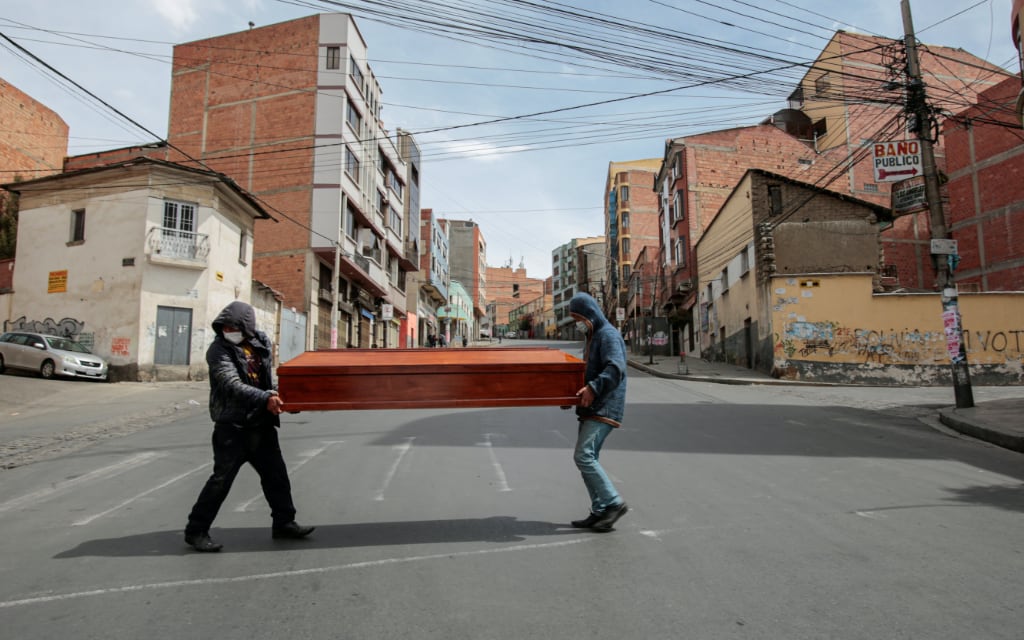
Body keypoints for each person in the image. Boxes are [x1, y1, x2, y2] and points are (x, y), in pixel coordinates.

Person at [184, 301, 314, 552]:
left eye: (234, 326)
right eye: (225, 326)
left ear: (246, 327)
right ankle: (196, 531)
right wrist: (266, 397)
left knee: (276, 477)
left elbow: (268, 378)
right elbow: (231, 383)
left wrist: (287, 397)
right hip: (232, 428)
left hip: (261, 425)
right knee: (221, 481)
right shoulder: (218, 350)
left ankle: (284, 523)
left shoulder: (260, 343)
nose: (228, 330)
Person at [566, 292, 629, 532]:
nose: (577, 323)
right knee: (587, 458)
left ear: (589, 314)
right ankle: (600, 510)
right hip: (592, 407)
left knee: (583, 456)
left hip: (606, 406)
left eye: (578, 317)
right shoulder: (593, 337)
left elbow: (616, 368)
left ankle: (613, 502)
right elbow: (588, 373)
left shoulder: (608, 335)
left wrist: (593, 388)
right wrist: (571, 395)